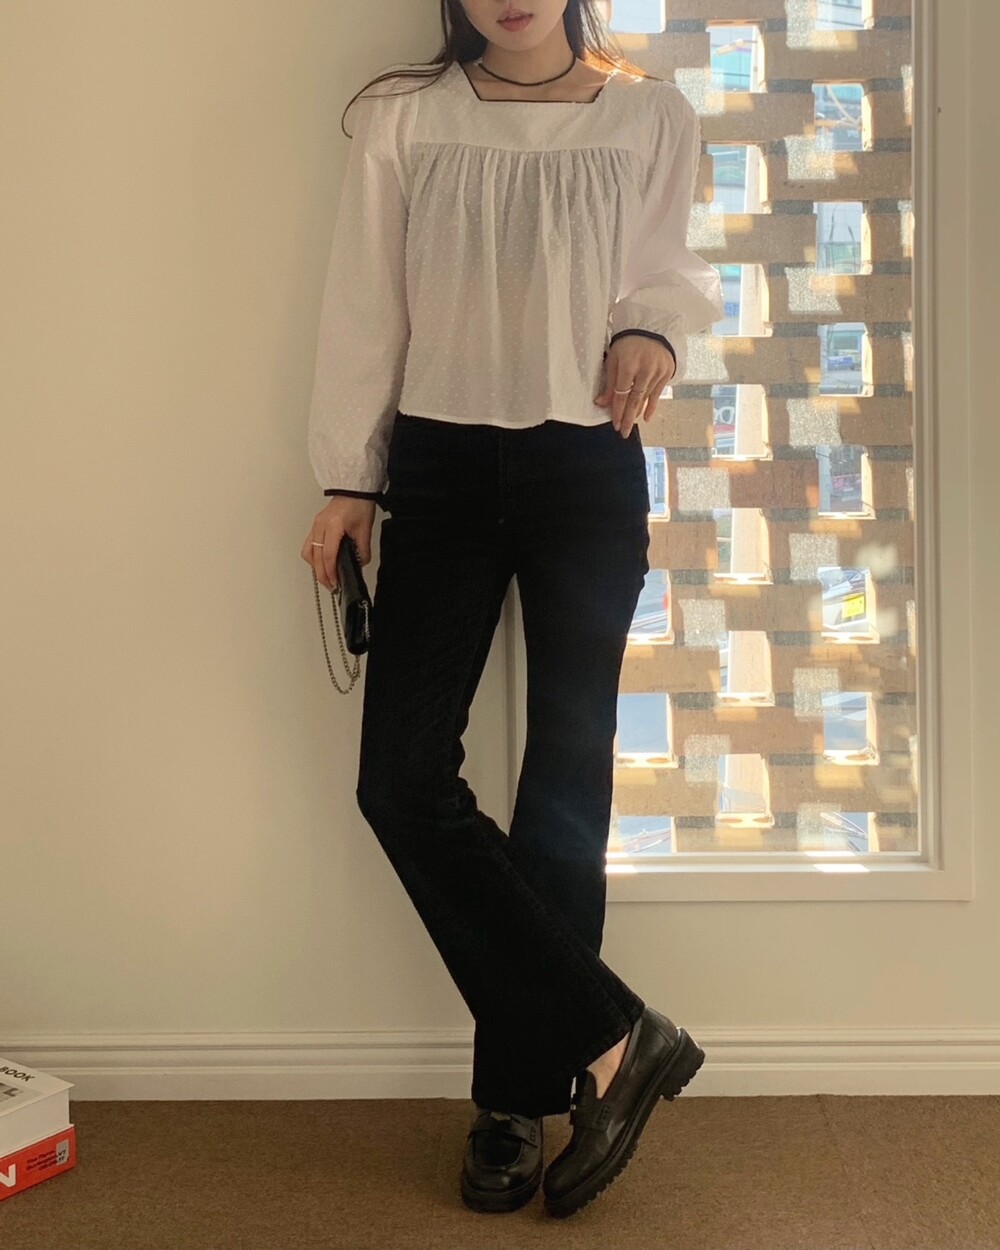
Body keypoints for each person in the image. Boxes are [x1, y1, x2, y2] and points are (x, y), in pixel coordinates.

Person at [300, 0, 724, 1220]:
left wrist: (653, 327)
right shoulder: (406, 118)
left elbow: (670, 268)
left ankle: (519, 1095)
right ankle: (614, 1037)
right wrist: (348, 475)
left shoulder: (650, 115)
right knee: (400, 777)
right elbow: (364, 302)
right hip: (438, 464)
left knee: (563, 783)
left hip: (586, 464)